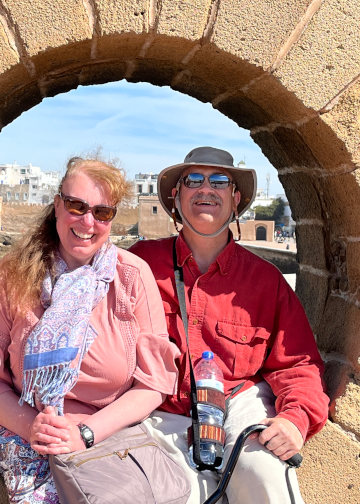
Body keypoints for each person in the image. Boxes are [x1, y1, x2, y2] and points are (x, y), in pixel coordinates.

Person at [0, 157, 180, 503]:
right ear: (57, 205)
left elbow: (153, 384)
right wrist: (32, 425)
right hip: (25, 427)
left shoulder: (132, 276)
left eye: (102, 212)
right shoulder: (14, 273)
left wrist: (85, 433)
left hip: (105, 432)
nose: (87, 221)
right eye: (76, 206)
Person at [130, 147, 329, 504]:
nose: (207, 189)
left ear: (235, 199)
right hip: (157, 409)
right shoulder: (140, 263)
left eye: (220, 180)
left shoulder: (266, 281)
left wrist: (294, 420)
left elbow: (299, 364)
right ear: (177, 197)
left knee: (267, 477)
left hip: (236, 405)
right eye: (194, 180)